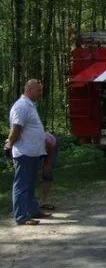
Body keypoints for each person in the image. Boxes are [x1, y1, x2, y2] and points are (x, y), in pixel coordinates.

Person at [5, 79, 52, 225]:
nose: (40, 93)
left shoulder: (30, 106)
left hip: (33, 153)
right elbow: (16, 128)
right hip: (24, 153)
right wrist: (9, 143)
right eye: (38, 90)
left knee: (31, 184)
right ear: (29, 89)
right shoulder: (21, 106)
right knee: (21, 185)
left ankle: (33, 210)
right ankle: (21, 216)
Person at [40, 132, 58, 210]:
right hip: (32, 148)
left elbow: (47, 163)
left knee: (47, 171)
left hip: (50, 143)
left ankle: (44, 200)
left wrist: (46, 164)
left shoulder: (48, 142)